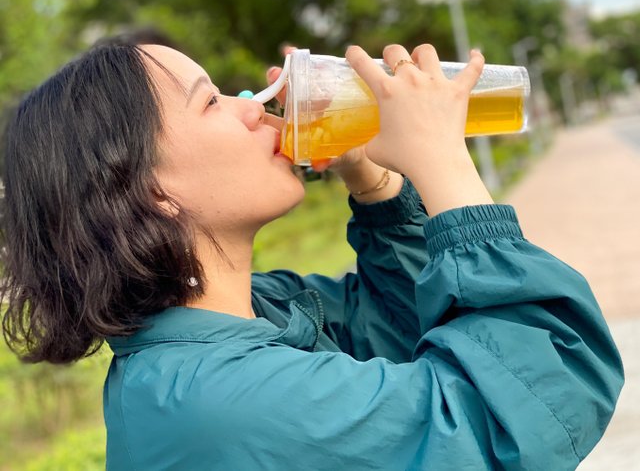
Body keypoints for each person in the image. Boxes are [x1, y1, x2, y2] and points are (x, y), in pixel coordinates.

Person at [0, 40, 623, 471]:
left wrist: (374, 182)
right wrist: (444, 166)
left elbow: (398, 332)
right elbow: (530, 405)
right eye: (211, 102)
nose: (253, 105)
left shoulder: (250, 315)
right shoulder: (219, 402)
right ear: (153, 191)